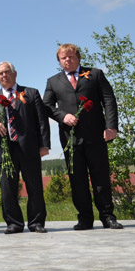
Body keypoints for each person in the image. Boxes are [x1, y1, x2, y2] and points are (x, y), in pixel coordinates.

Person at [43, 43, 122, 230]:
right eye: (63, 58)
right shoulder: (53, 81)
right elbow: (46, 106)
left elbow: (109, 100)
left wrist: (111, 126)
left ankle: (108, 217)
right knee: (77, 180)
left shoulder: (95, 74)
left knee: (100, 177)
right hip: (70, 138)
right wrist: (63, 116)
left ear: (78, 57)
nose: (67, 60)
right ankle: (85, 218)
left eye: (71, 56)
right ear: (59, 61)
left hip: (96, 135)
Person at [0, 62, 50, 234]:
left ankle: (36, 223)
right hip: (4, 149)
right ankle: (14, 223)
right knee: (8, 189)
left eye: (7, 72)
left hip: (29, 148)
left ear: (14, 73)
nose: (4, 76)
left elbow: (42, 120)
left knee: (34, 187)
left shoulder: (31, 93)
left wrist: (44, 145)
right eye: (0, 74)